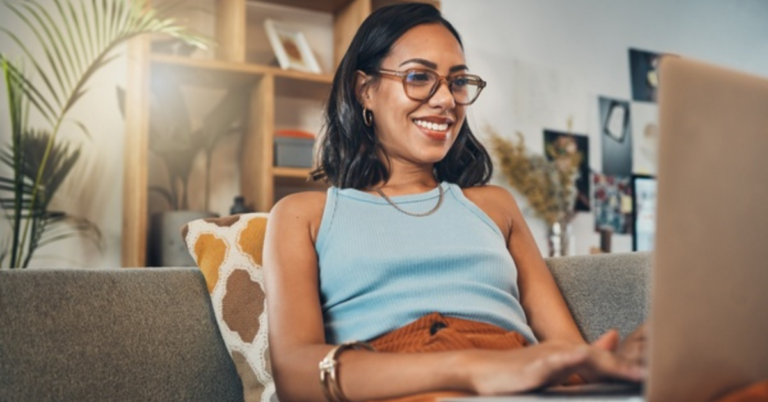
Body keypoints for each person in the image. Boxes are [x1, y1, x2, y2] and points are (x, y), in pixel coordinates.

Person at [263, 4, 646, 402]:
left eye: (457, 81)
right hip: (399, 383)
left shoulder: (495, 207)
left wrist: (622, 368)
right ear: (366, 90)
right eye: (419, 77)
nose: (446, 99)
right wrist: (469, 368)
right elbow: (296, 376)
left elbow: (569, 359)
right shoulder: (302, 216)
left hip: (518, 379)